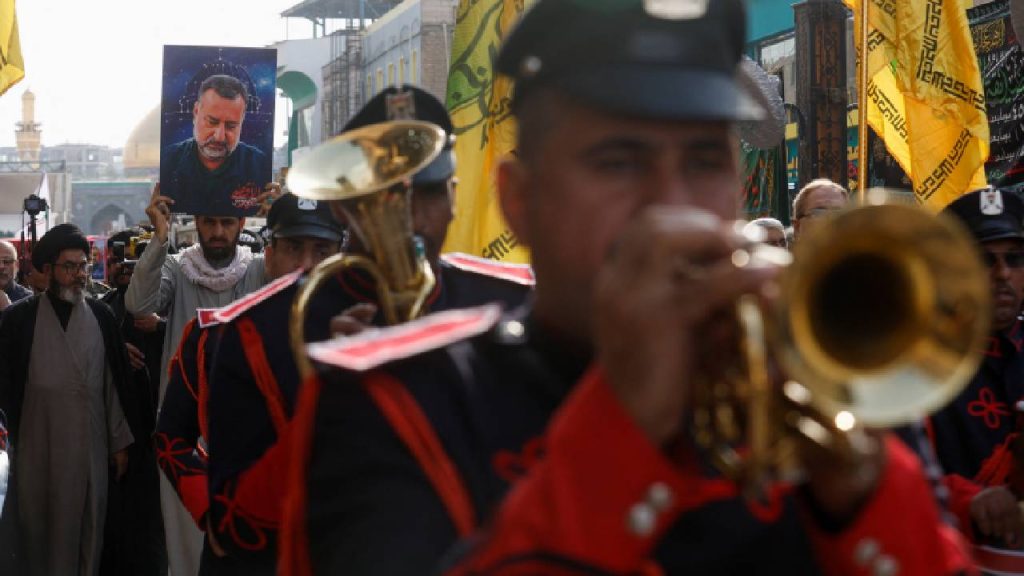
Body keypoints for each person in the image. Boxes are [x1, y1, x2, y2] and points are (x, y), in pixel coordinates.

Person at [281, 1, 973, 574]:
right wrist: (621, 427)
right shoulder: (390, 404)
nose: (670, 207)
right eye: (619, 161)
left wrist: (862, 491)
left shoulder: (834, 376)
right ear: (519, 201)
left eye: (704, 159)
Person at [205, 86, 534, 575]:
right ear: (342, 206)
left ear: (453, 198)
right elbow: (232, 531)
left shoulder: (516, 304)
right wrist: (326, 403)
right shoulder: (256, 331)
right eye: (381, 197)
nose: (405, 220)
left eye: (423, 194)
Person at [155, 192, 344, 575]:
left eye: (321, 250)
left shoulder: (369, 338)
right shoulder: (214, 335)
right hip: (241, 553)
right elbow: (171, 438)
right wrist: (214, 513)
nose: (306, 264)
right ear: (269, 255)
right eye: (293, 247)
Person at [126, 184, 266, 576]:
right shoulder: (177, 266)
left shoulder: (258, 268)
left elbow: (302, 283)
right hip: (184, 430)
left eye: (226, 222)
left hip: (250, 431)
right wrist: (159, 238)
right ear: (197, 224)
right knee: (187, 542)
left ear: (241, 223)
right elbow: (139, 304)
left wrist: (282, 217)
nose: (217, 232)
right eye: (209, 222)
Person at [0, 223, 138, 576]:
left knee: (89, 528)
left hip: (89, 448)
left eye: (84, 266)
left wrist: (119, 443)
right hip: (37, 446)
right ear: (49, 270)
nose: (79, 275)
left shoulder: (102, 317)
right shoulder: (18, 320)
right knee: (36, 530)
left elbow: (112, 385)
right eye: (70, 267)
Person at [925, 187, 1024, 548]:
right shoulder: (923, 362)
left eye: (1015, 259)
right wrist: (970, 501)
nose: (1003, 273)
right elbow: (901, 472)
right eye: (985, 260)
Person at [99, 227, 168, 576]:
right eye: (117, 260)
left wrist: (160, 327)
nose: (125, 267)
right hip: (120, 439)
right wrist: (112, 353)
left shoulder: (163, 302)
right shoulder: (103, 309)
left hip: (160, 433)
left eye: (133, 260)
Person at [162, 74, 270, 216]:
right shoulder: (168, 161)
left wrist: (276, 215)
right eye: (212, 122)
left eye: (231, 126)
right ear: (196, 112)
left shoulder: (259, 165)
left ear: (242, 122)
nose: (219, 136)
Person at [0, 240, 30, 317]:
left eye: (7, 261)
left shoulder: (29, 300)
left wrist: (7, 310)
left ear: (17, 265)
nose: (1, 267)